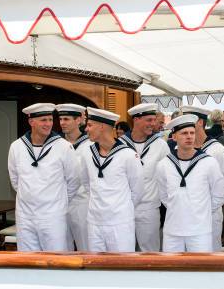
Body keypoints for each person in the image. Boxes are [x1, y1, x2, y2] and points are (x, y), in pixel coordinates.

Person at [8, 103, 80, 251]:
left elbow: (74, 180)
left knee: (56, 262)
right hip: (25, 216)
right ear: (31, 122)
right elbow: (15, 180)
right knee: (28, 263)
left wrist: (57, 202)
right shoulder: (16, 146)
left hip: (53, 216)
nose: (48, 124)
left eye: (50, 120)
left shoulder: (63, 147)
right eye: (43, 120)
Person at [157, 114, 224, 252]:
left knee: (200, 272)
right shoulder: (164, 165)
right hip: (173, 231)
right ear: (174, 136)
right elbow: (164, 196)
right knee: (171, 270)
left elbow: (220, 195)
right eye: (184, 133)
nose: (189, 137)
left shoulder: (209, 162)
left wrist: (200, 210)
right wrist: (180, 208)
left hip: (200, 231)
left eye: (192, 133)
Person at [80, 107, 144, 252]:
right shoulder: (87, 152)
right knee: (95, 268)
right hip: (95, 222)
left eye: (90, 125)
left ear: (102, 126)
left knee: (122, 268)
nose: (86, 129)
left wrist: (119, 208)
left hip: (120, 224)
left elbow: (137, 190)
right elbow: (86, 183)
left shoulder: (128, 154)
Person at [180, 105, 224, 251]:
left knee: (210, 258)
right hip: (184, 215)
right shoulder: (179, 151)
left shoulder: (217, 150)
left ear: (200, 123)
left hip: (209, 214)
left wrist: (206, 208)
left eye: (189, 120)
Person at [121, 103, 170, 252]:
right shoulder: (120, 144)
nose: (153, 124)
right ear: (136, 120)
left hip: (149, 208)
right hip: (123, 208)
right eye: (149, 120)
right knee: (123, 252)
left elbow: (167, 179)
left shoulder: (160, 145)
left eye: (154, 120)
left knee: (150, 253)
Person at [56, 103, 91, 251]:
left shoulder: (90, 145)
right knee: (62, 249)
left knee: (86, 247)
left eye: (66, 119)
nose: (62, 123)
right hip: (59, 203)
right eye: (60, 119)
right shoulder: (56, 144)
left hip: (82, 203)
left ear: (78, 120)